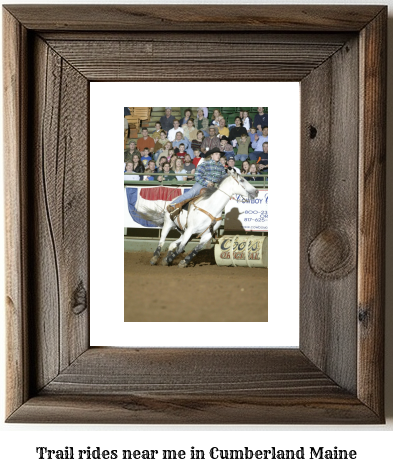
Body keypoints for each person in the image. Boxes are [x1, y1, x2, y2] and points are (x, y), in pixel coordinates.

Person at [166, 147, 227, 215]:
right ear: (211, 155)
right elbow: (197, 175)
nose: (218, 156)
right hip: (202, 183)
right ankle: (172, 205)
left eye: (219, 154)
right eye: (216, 154)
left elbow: (223, 177)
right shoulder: (205, 163)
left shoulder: (221, 166)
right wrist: (206, 183)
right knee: (191, 193)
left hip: (214, 186)